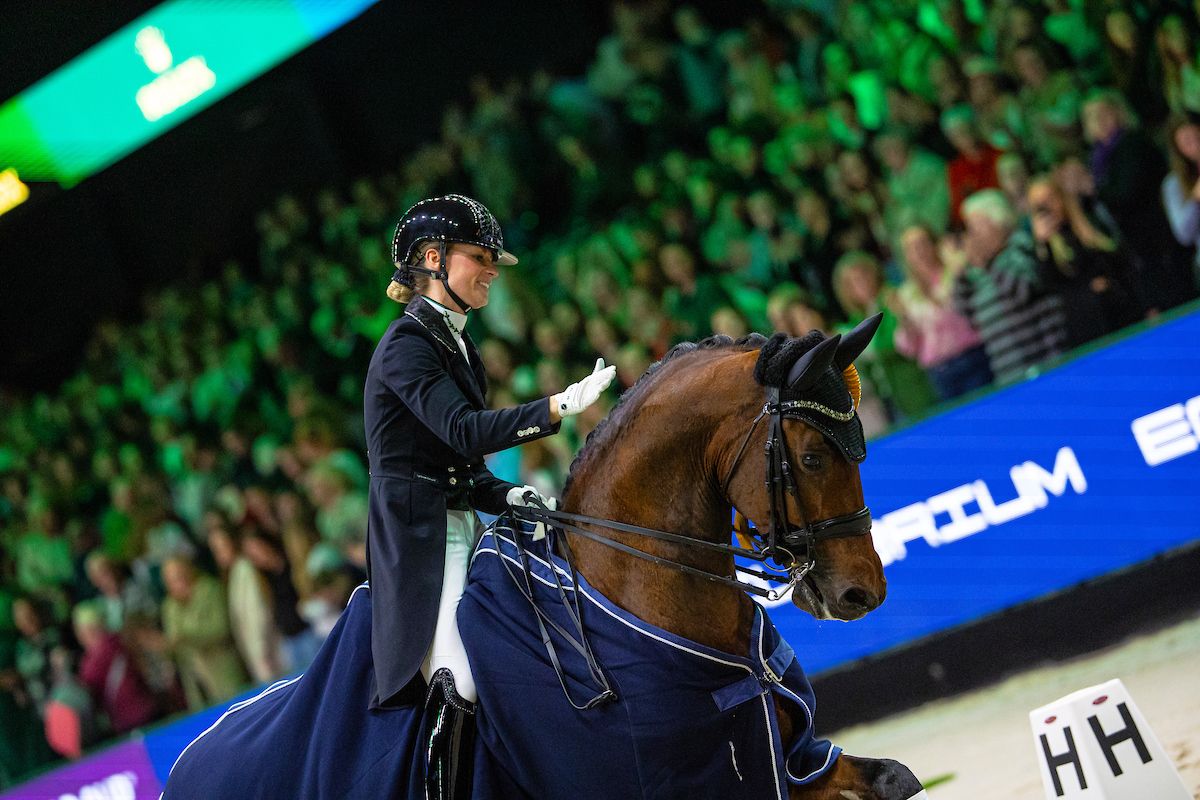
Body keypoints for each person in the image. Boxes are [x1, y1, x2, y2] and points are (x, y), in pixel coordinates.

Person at [365, 197, 615, 745]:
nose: (492, 271)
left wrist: (508, 495)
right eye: (480, 258)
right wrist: (558, 406)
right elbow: (464, 431)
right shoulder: (405, 346)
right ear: (434, 259)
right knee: (462, 679)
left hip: (461, 521)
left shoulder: (456, 343)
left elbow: (462, 467)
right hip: (420, 539)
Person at [1025, 175, 1137, 347]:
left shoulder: (1090, 223)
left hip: (1123, 315)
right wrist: (1042, 245)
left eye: (1050, 199)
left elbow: (1123, 263)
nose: (1048, 208)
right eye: (1039, 206)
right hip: (1088, 331)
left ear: (1061, 197)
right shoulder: (1042, 251)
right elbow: (1049, 287)